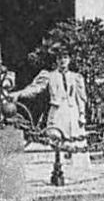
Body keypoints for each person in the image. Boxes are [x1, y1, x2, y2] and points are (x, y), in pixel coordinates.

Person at [9, 51, 91, 179]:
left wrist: (82, 114)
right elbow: (34, 89)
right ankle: (58, 171)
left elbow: (81, 98)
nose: (62, 61)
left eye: (65, 57)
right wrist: (18, 94)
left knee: (76, 143)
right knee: (57, 141)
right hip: (58, 113)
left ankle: (79, 174)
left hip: (73, 113)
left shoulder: (76, 77)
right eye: (60, 58)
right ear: (56, 60)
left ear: (69, 60)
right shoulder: (49, 76)